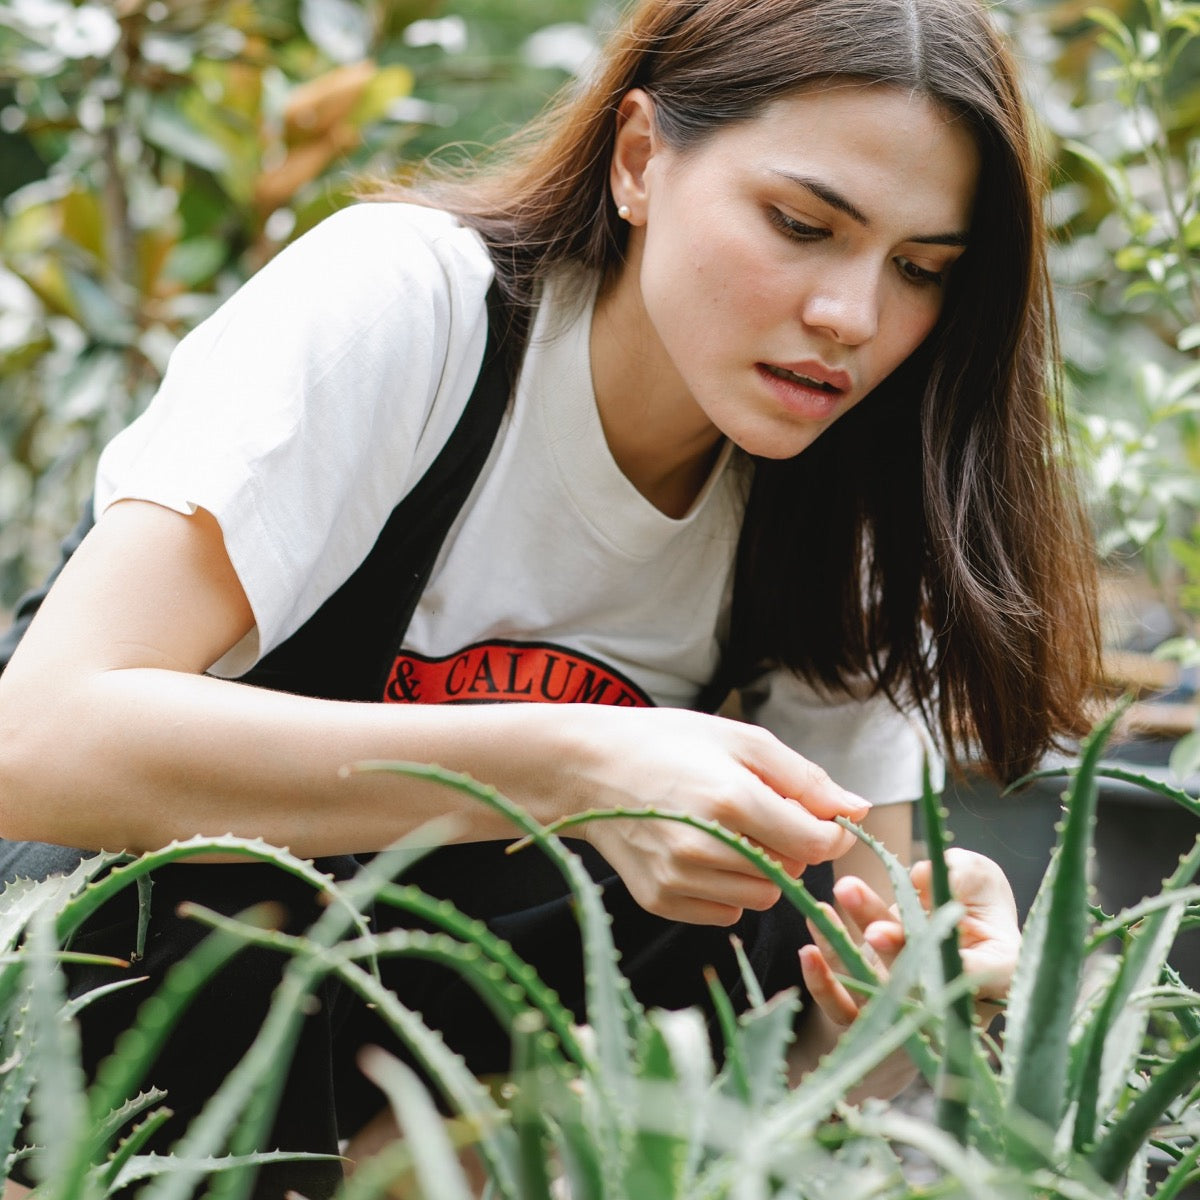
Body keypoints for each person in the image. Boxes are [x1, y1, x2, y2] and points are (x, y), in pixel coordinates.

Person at [0, 0, 1098, 1192]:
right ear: (640, 158)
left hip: (431, 1127)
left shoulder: (853, 511)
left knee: (753, 889)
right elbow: (38, 740)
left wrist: (904, 981)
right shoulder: (410, 305)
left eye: (921, 270)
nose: (852, 317)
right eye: (800, 224)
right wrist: (575, 768)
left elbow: (812, 1043)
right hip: (99, 1057)